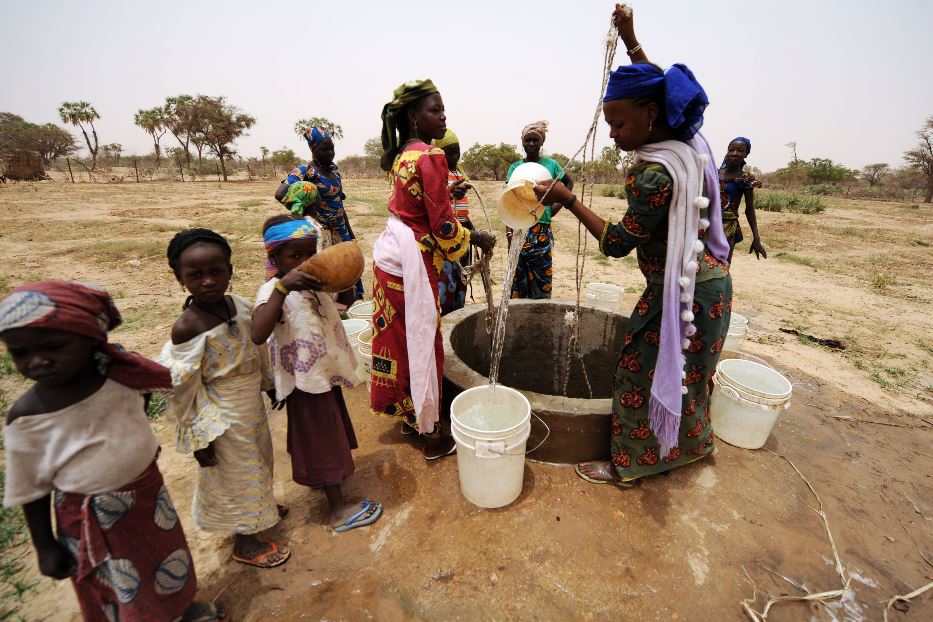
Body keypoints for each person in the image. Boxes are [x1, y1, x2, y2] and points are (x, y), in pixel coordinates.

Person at [532, 5, 733, 486]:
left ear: (649, 115)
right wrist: (631, 38)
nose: (614, 135)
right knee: (690, 375)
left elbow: (619, 243)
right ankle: (692, 446)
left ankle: (630, 464)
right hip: (712, 286)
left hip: (679, 293)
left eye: (619, 125)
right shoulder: (690, 147)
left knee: (635, 374)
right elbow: (664, 91)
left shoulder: (654, 173)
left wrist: (569, 200)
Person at [0, 281, 225, 622]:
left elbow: (139, 409)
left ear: (92, 339)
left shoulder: (124, 377)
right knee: (122, 587)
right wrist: (44, 546)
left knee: (167, 558)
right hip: (92, 520)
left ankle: (182, 609)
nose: (37, 361)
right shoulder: (29, 416)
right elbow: (30, 487)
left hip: (150, 497)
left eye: (53, 346)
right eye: (19, 353)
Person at [371, 79, 496, 458]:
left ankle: (405, 411)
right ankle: (431, 431)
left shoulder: (402, 155)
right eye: (434, 110)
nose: (443, 117)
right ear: (414, 116)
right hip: (414, 261)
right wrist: (476, 241)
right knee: (425, 341)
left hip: (390, 256)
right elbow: (442, 226)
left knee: (399, 338)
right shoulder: (430, 156)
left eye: (443, 110)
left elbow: (415, 209)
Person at [160, 229, 290, 569]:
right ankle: (245, 541)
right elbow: (183, 388)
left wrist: (269, 383)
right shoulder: (187, 327)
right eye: (195, 275)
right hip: (219, 415)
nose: (207, 281)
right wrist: (198, 437)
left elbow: (256, 346)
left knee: (258, 462)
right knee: (234, 475)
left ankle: (261, 510)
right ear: (179, 278)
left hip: (249, 406)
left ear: (230, 271)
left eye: (216, 271)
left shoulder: (238, 306)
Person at [251, 215, 383, 532]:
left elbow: (344, 304)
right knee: (322, 440)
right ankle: (337, 509)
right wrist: (283, 287)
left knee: (323, 436)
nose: (304, 262)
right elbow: (258, 331)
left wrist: (344, 278)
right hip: (305, 383)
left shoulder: (314, 285)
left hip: (325, 376)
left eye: (311, 253)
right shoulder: (272, 290)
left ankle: (322, 478)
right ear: (274, 259)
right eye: (294, 256)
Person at [276, 126, 365, 300]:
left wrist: (351, 236)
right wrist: (307, 214)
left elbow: (340, 205)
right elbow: (280, 194)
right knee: (328, 275)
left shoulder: (334, 173)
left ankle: (347, 311)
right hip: (320, 233)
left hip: (340, 230)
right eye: (325, 149)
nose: (330, 152)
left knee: (349, 271)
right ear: (313, 149)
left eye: (332, 148)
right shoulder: (304, 172)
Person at [506, 121, 574, 299]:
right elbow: (509, 199)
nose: (531, 144)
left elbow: (569, 182)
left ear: (542, 142)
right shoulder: (515, 168)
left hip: (541, 230)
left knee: (542, 279)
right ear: (522, 142)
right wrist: (509, 235)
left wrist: (552, 209)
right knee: (518, 280)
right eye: (527, 140)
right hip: (519, 228)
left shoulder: (551, 165)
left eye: (535, 140)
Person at [434, 128, 474, 315]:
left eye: (457, 152)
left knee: (461, 278)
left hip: (463, 231)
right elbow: (435, 202)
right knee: (446, 279)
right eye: (450, 153)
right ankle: (445, 319)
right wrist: (448, 194)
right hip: (446, 235)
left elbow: (462, 206)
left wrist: (468, 222)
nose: (455, 156)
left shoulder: (459, 172)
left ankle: (458, 315)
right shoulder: (436, 174)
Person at [719, 137, 766, 261]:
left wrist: (756, 238)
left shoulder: (746, 179)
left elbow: (749, 209)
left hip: (728, 228)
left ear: (746, 154)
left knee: (722, 265)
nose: (735, 153)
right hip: (705, 225)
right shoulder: (712, 173)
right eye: (731, 150)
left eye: (740, 150)